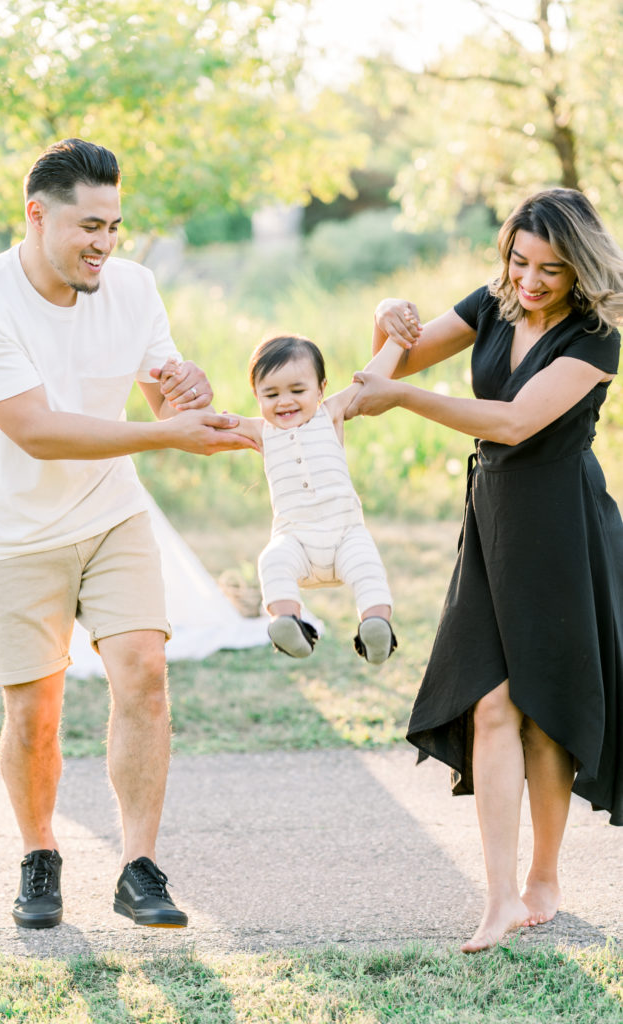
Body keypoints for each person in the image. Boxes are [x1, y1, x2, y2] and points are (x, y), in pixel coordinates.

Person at [0, 138, 254, 931]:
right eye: (89, 227)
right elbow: (38, 431)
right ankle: (38, 854)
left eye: (115, 227)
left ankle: (138, 867)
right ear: (36, 216)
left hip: (113, 514)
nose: (105, 245)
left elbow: (162, 401)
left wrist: (185, 395)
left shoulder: (133, 287)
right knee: (34, 713)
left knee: (144, 673)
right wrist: (170, 438)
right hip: (14, 532)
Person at [347, 187, 623, 952]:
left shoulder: (596, 337)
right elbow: (384, 367)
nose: (529, 281)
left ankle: (543, 878)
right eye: (518, 260)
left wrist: (400, 395)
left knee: (542, 707)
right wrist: (385, 319)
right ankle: (498, 897)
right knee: (489, 703)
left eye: (551, 269)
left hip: (561, 525)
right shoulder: (492, 302)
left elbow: (510, 422)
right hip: (494, 519)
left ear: (579, 269)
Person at [232, 333, 398, 663]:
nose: (284, 402)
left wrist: (396, 339)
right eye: (271, 393)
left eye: (297, 390)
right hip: (296, 541)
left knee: (367, 568)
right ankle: (287, 623)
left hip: (345, 534)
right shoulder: (258, 430)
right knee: (271, 561)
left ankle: (376, 625)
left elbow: (371, 380)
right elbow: (209, 427)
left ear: (321, 389)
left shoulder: (330, 413)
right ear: (256, 395)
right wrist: (179, 391)